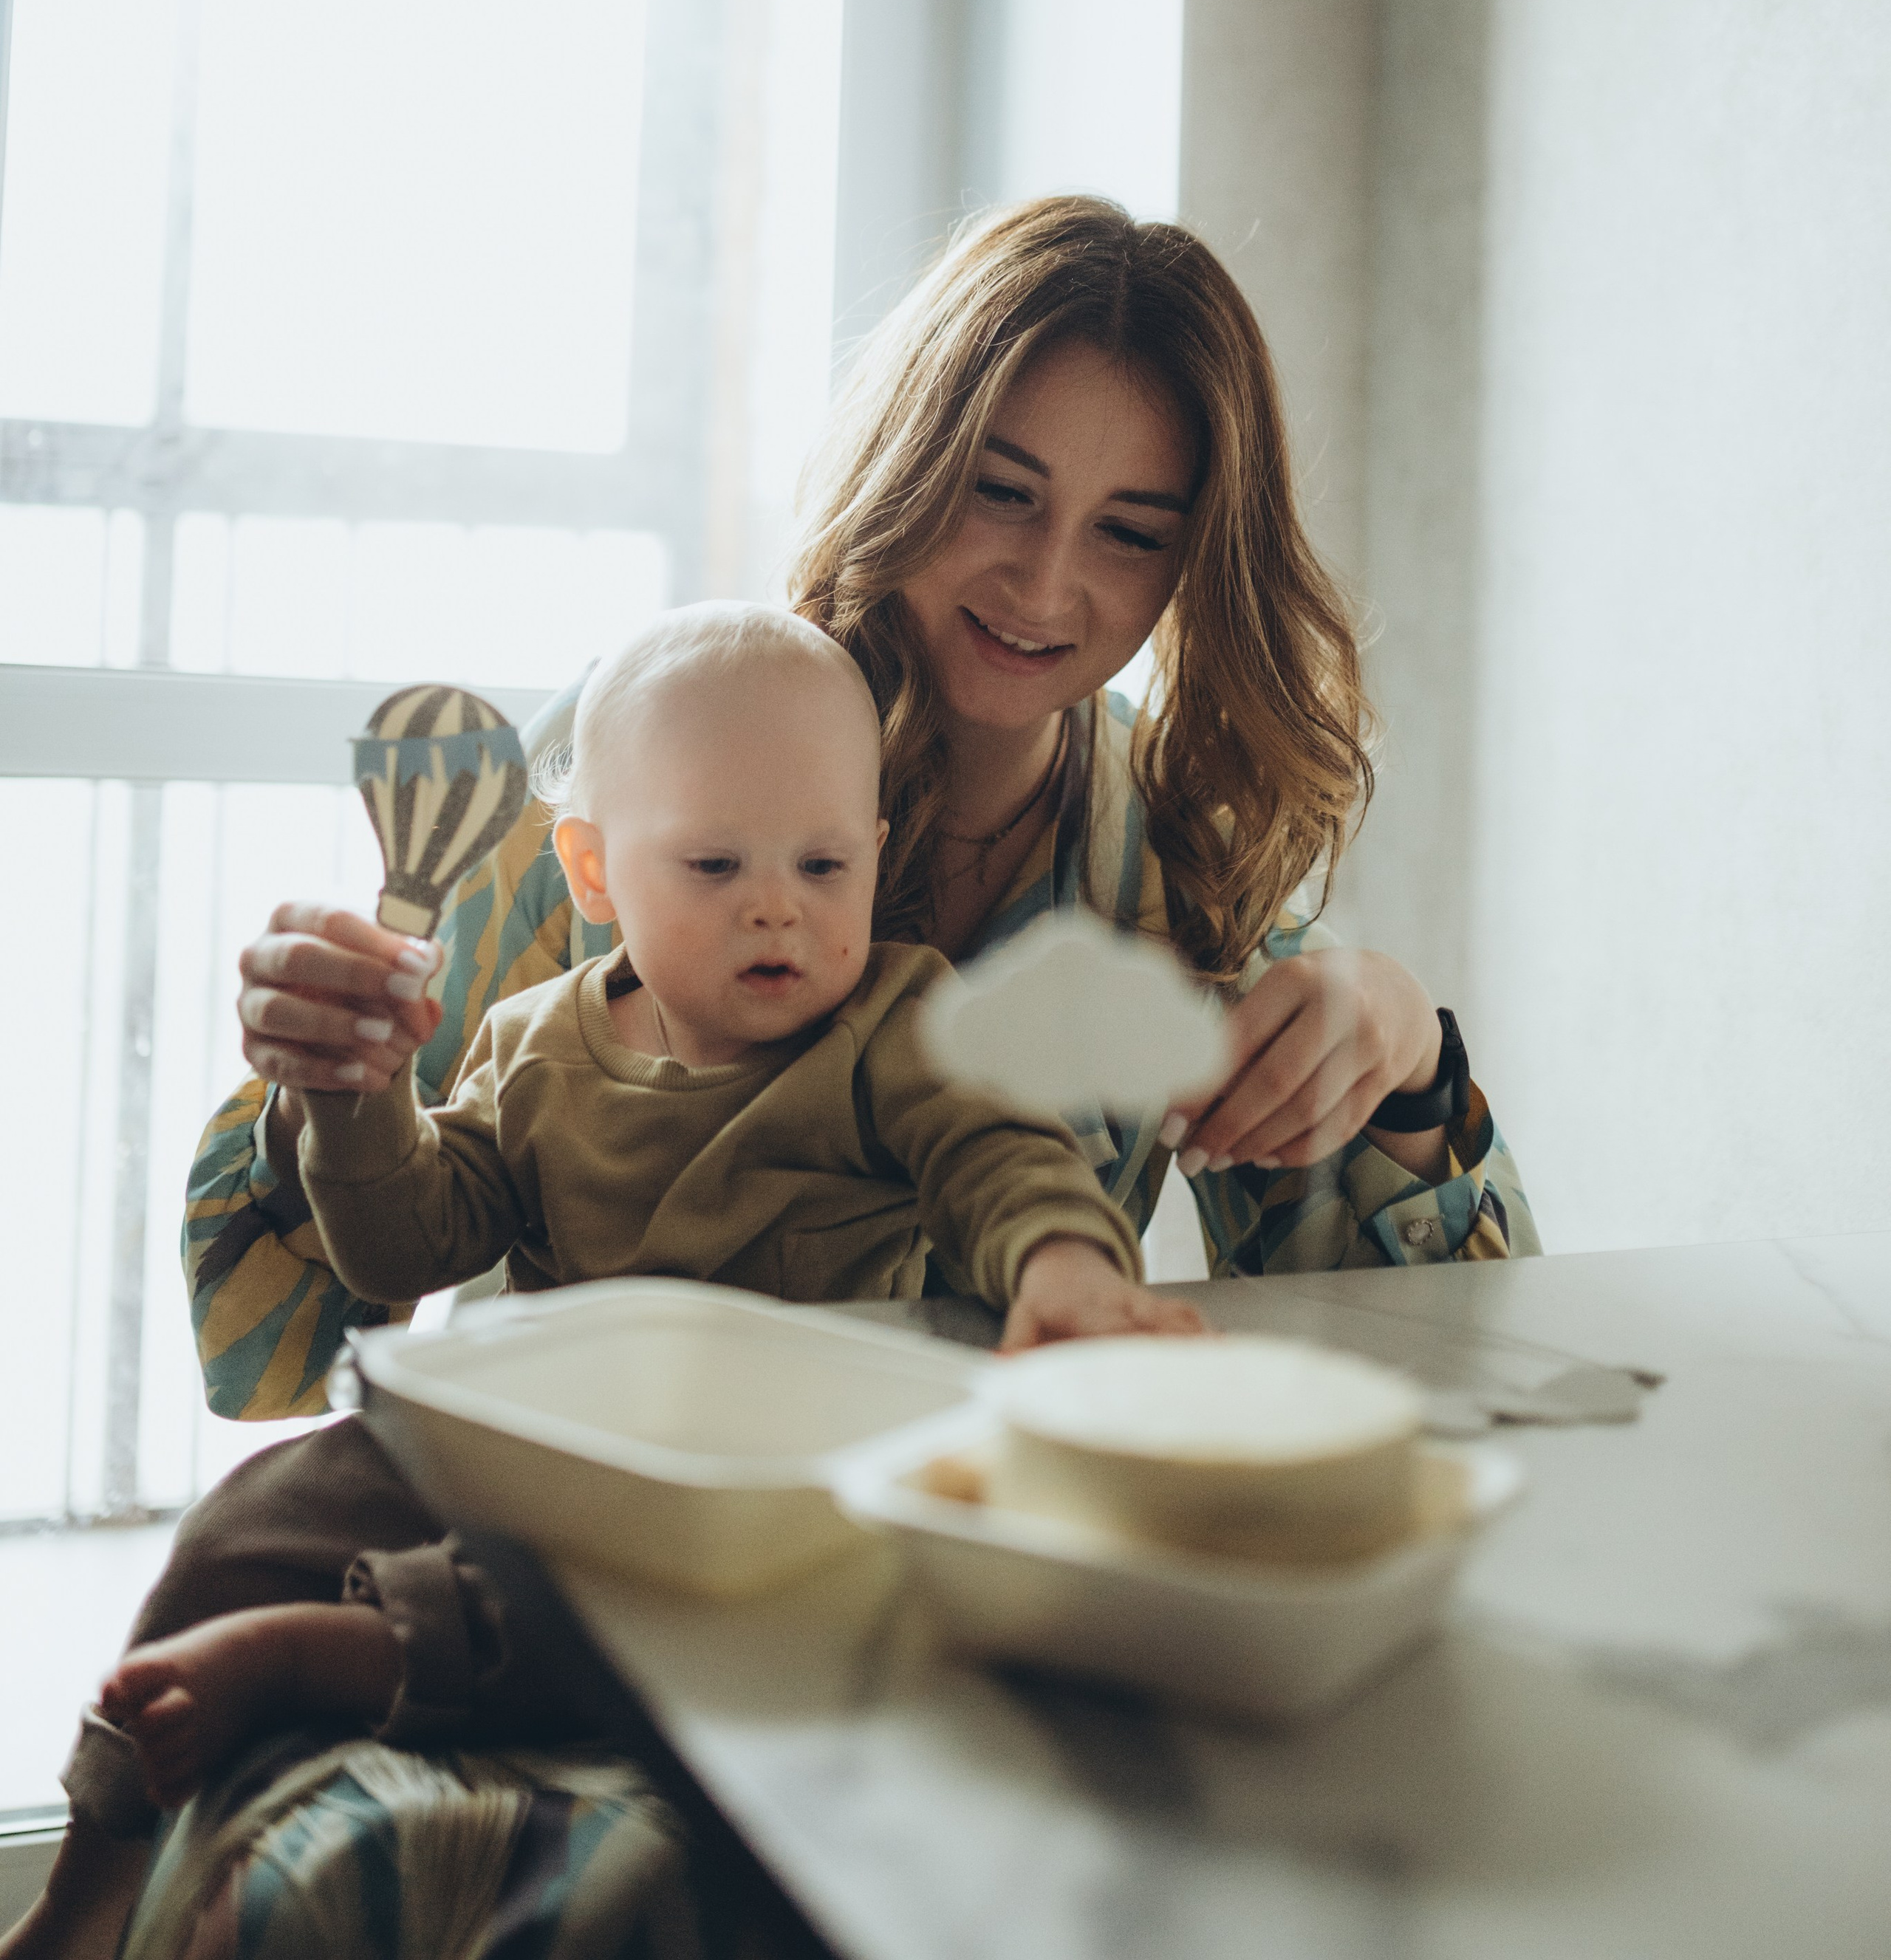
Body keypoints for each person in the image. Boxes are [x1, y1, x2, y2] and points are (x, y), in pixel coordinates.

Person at [13, 197, 1540, 1959]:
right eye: (998, 491)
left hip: (928, 1550)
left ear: (1198, 557)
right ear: (909, 458)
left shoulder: (1178, 870)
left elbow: (1406, 1360)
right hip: (580, 1499)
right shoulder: (673, 736)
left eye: (1130, 531)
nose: (1048, 589)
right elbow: (289, 1331)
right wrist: (328, 1060)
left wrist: (1405, 1052)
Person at [84, 604, 1186, 1826]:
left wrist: (1066, 1260)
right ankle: (96, 1874)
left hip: (775, 1497)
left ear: (874, 853)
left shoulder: (896, 1025)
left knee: (682, 1621)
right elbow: (408, 1240)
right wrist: (359, 1098)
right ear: (595, 872)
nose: (778, 908)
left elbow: (1003, 1154)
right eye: (715, 867)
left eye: (823, 867)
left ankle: (325, 1657)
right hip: (557, 1457)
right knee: (256, 1516)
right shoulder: (535, 1044)